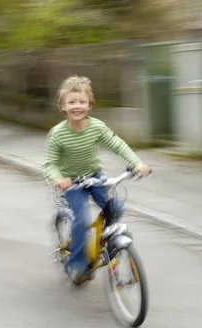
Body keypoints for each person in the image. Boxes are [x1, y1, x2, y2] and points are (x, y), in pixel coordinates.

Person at [43, 75, 149, 283]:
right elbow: (49, 164)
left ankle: (107, 243)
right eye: (71, 102)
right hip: (72, 183)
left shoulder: (96, 127)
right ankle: (77, 264)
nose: (77, 106)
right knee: (81, 219)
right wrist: (59, 178)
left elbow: (117, 144)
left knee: (116, 209)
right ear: (62, 106)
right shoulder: (58, 134)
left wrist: (137, 163)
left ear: (89, 104)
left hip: (95, 177)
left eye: (82, 102)